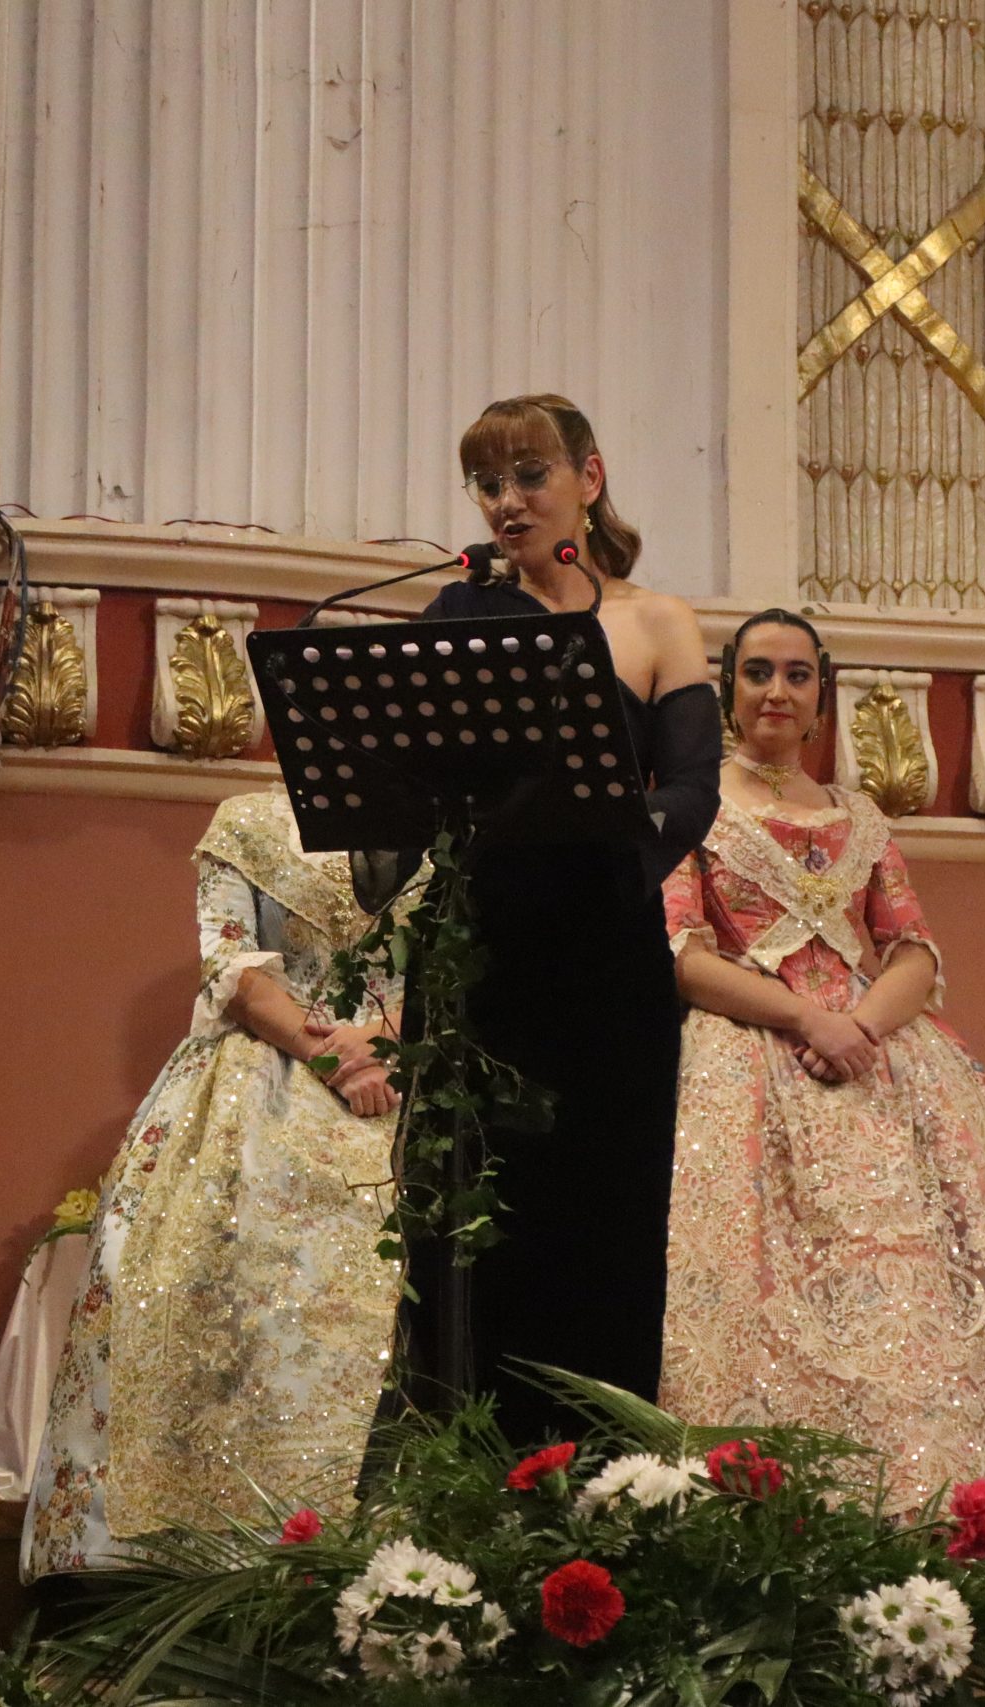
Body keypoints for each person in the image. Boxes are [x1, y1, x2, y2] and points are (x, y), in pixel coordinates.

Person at [658, 610, 985, 1516]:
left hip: (880, 1067)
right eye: (758, 672)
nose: (777, 691)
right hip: (746, 1060)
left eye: (798, 675)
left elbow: (913, 949)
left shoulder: (861, 818)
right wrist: (807, 1017)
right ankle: (775, 1500)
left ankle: (923, 1493)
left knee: (914, 1287)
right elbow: (684, 957)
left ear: (821, 695)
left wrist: (861, 1027)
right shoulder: (692, 809)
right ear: (727, 690)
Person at [391, 394, 720, 1448]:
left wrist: (609, 843)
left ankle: (599, 1476)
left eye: (530, 475)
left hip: (605, 963)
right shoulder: (456, 614)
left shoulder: (656, 621)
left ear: (590, 477)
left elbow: (693, 789)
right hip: (477, 961)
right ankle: (464, 1476)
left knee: (602, 1218)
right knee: (469, 1229)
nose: (508, 501)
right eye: (488, 483)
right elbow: (408, 788)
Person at [23, 789, 405, 1579]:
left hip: (413, 1071)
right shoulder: (249, 819)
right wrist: (334, 1055)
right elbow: (234, 970)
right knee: (193, 1271)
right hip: (260, 1081)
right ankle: (181, 1554)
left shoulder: (460, 830)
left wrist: (389, 1041)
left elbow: (469, 969)